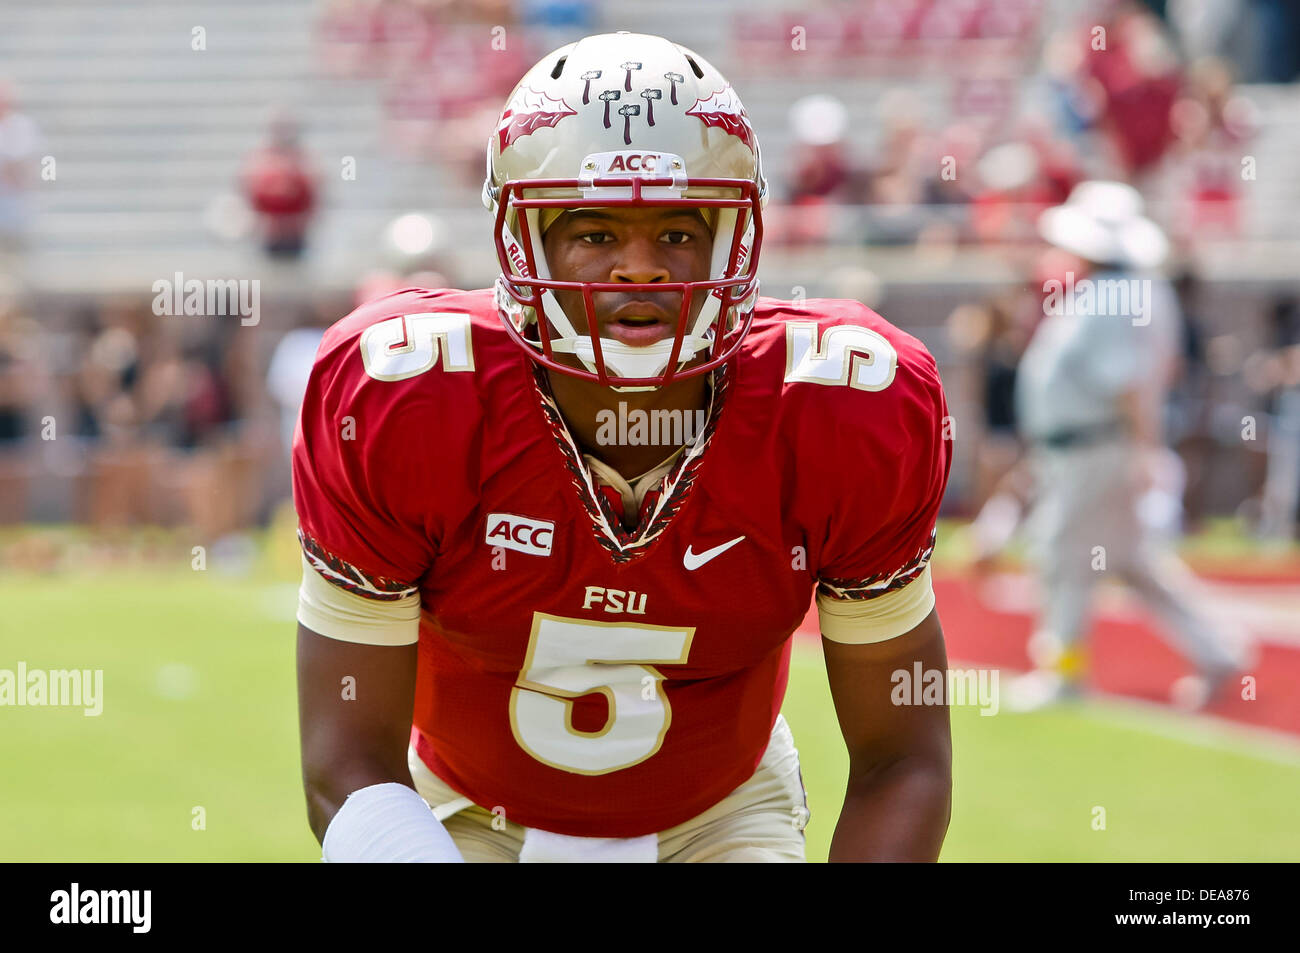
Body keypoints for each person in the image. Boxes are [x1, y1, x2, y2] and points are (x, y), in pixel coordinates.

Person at [293, 32, 953, 863]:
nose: (639, 268)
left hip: (720, 819)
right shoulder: (410, 396)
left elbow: (904, 756)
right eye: (595, 233)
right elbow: (344, 758)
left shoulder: (839, 407)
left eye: (678, 233)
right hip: (458, 816)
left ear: (733, 238)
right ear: (521, 239)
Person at [1006, 180, 1251, 712]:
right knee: (1133, 561)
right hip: (1091, 448)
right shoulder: (1118, 291)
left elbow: (1131, 385)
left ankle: (1063, 673)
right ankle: (1217, 651)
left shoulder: (1118, 294)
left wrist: (1147, 450)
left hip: (1098, 448)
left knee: (1063, 553)